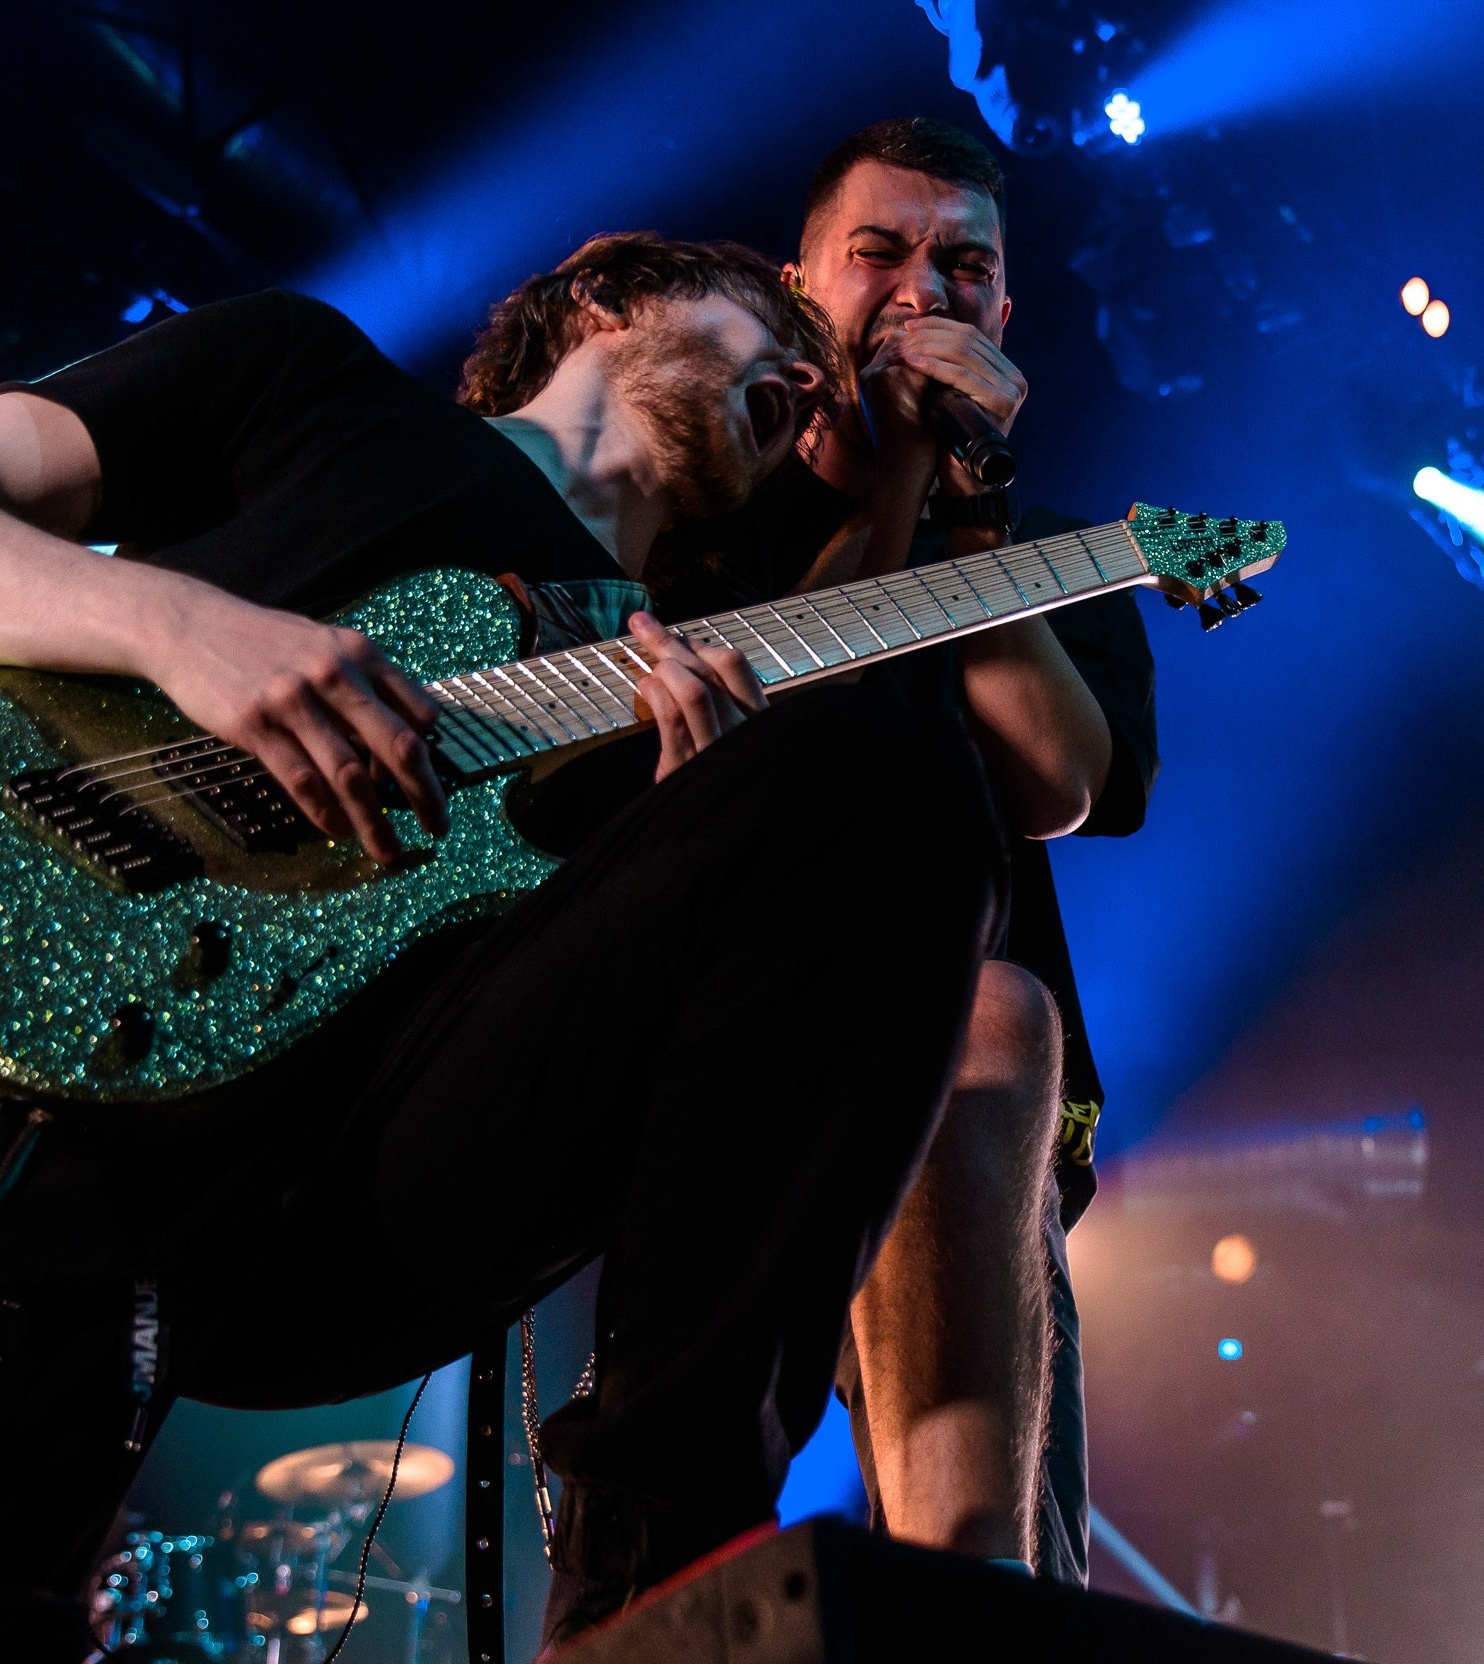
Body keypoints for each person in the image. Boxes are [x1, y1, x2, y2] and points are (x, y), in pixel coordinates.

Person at [0, 233, 1008, 1647]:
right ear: (608, 293)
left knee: (900, 773)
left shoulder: (672, 664)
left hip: (343, 1181)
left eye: (820, 377)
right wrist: (187, 629)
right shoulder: (304, 377)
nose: (811, 379)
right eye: (769, 324)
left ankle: (655, 1598)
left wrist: (690, 858)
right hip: (32, 1036)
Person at [634, 118, 1159, 1581]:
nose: (926, 292)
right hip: (699, 1075)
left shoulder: (1047, 552)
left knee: (987, 1552)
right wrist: (872, 493)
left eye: (967, 266)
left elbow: (1054, 776)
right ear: (801, 282)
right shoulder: (702, 527)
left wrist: (959, 504)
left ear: (1010, 315)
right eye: (882, 253)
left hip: (960, 1101)